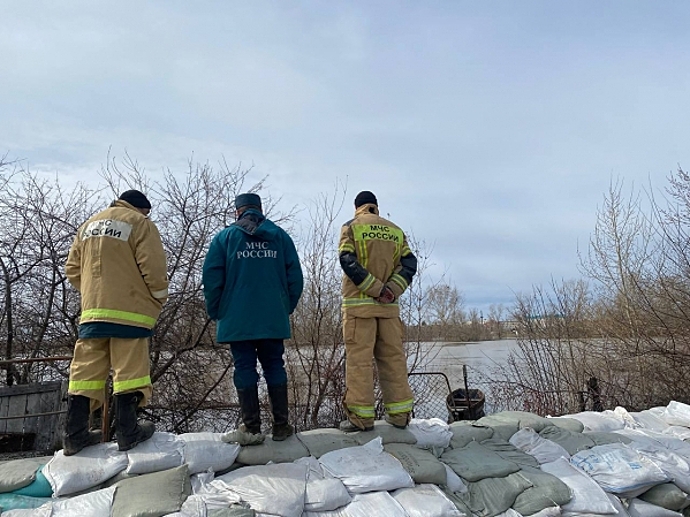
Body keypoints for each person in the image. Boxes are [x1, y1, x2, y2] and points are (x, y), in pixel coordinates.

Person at [64, 189, 168, 455]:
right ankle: (128, 433)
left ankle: (74, 436)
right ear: (142, 208)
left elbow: (72, 269)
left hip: (92, 314)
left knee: (84, 374)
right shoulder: (140, 224)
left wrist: (93, 293)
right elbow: (154, 268)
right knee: (130, 373)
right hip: (130, 313)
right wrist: (157, 299)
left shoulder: (88, 225)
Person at [203, 192, 303, 445]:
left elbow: (212, 279)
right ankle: (281, 427)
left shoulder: (225, 238)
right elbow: (296, 278)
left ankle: (252, 429)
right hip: (272, 316)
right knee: (274, 366)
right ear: (260, 209)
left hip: (237, 318)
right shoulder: (280, 237)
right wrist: (284, 307)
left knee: (244, 367)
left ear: (237, 211)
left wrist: (217, 310)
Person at [338, 191, 417, 432]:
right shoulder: (395, 230)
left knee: (359, 364)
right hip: (388, 311)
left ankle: (361, 419)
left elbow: (346, 260)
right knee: (394, 360)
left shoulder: (351, 227)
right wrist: (390, 290)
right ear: (376, 207)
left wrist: (375, 288)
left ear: (357, 207)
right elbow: (409, 264)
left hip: (359, 310)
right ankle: (401, 415)